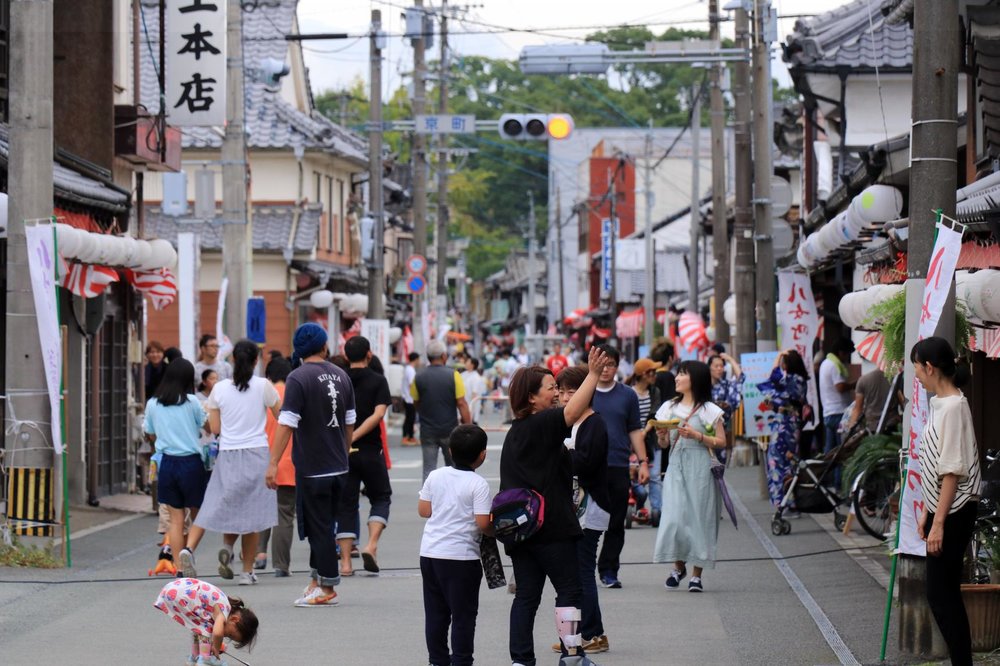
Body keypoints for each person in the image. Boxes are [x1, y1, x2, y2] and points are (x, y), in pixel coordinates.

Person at [499, 346, 612, 666]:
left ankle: (521, 660)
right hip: (551, 527)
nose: (558, 394)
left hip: (521, 530)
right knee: (569, 591)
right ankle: (572, 652)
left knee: (526, 597)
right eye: (551, 389)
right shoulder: (543, 423)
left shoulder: (517, 431)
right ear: (532, 398)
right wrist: (592, 375)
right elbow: (573, 413)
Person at [266, 322, 357, 607]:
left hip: (313, 467)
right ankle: (317, 580)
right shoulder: (342, 375)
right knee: (325, 524)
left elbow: (287, 423)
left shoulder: (298, 377)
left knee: (317, 528)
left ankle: (327, 586)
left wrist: (273, 462)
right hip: (339, 466)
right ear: (324, 346)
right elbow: (349, 421)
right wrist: (342, 452)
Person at [177, 340, 280, 587]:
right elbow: (281, 415)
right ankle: (246, 572)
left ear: (232, 360)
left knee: (219, 502)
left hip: (228, 453)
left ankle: (201, 548)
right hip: (257, 452)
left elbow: (214, 428)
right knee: (252, 514)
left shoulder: (220, 389)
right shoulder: (264, 386)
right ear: (257, 361)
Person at [912, 337, 981, 666]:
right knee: (944, 593)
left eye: (917, 369)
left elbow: (952, 470)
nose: (917, 377)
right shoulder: (942, 404)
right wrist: (928, 511)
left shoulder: (952, 405)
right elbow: (938, 466)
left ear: (929, 367)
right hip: (945, 509)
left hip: (954, 510)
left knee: (941, 595)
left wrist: (938, 522)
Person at [418, 424, 493, 666]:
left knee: (436, 614)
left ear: (450, 450)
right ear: (483, 454)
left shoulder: (435, 475)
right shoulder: (478, 484)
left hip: (430, 553)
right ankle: (461, 661)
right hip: (461, 558)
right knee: (463, 616)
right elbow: (483, 523)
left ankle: (437, 660)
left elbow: (424, 510)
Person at [552, 366, 612, 655]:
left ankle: (592, 633)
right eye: (560, 391)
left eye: (571, 392)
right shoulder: (568, 423)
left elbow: (585, 462)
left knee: (582, 571)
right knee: (572, 574)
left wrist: (558, 455)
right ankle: (574, 636)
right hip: (571, 509)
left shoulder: (594, 423)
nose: (564, 397)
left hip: (591, 508)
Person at [653, 361, 727, 592]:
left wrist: (698, 435)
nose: (677, 378)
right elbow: (663, 444)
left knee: (700, 517)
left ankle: (696, 574)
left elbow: (723, 442)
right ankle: (678, 566)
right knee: (674, 517)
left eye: (682, 374)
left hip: (701, 467)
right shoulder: (668, 407)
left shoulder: (709, 410)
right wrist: (662, 435)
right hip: (676, 464)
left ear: (694, 378)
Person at [591, 344, 648, 590]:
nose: (606, 369)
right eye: (601, 364)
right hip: (588, 466)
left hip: (618, 464)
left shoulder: (627, 395)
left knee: (616, 522)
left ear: (617, 366)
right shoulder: (585, 391)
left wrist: (643, 462)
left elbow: (634, 429)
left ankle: (608, 569)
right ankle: (582, 567)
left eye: (611, 364)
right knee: (586, 521)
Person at [143, 358, 209, 571]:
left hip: (167, 463)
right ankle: (188, 550)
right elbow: (206, 426)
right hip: (191, 463)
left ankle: (180, 568)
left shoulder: (153, 403)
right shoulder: (192, 402)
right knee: (201, 515)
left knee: (175, 519)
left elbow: (149, 432)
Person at [337, 336, 393, 576]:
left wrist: (346, 438)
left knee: (346, 505)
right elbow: (379, 414)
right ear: (369, 354)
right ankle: (371, 545)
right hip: (371, 450)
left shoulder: (338, 380)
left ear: (346, 356)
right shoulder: (378, 380)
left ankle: (346, 564)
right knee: (380, 496)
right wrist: (357, 435)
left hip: (342, 453)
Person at [154, 577, 258, 666]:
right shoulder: (223, 611)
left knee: (200, 630)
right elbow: (217, 633)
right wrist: (216, 649)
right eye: (230, 634)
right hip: (182, 594)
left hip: (174, 590)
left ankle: (195, 657)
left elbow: (214, 634)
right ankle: (205, 660)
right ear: (235, 619)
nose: (226, 635)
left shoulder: (220, 608)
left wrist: (215, 644)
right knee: (207, 629)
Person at [254, 356, 295, 576]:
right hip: (288, 461)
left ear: (268, 375)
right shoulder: (294, 392)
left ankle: (259, 553)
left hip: (261, 458)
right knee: (284, 514)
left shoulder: (261, 393)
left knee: (261, 509)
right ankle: (281, 565)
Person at [412, 340, 472, 481]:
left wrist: (424, 413)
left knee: (428, 469)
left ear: (428, 357)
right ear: (444, 356)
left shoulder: (418, 376)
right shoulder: (453, 375)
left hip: (427, 430)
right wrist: (468, 426)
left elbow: (415, 401)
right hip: (450, 429)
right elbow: (461, 403)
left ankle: (427, 501)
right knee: (453, 467)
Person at [756, 350, 810, 505]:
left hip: (784, 424)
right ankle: (790, 500)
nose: (781, 366)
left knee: (777, 460)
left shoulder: (791, 379)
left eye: (783, 363)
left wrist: (779, 355)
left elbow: (773, 377)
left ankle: (783, 501)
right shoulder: (799, 380)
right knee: (789, 460)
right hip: (791, 423)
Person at [628, 358, 664, 526]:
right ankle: (638, 501)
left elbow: (654, 414)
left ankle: (657, 509)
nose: (654, 375)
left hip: (651, 441)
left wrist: (644, 432)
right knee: (633, 475)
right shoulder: (629, 392)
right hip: (630, 442)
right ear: (643, 374)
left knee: (655, 476)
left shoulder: (654, 391)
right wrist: (635, 436)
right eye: (652, 372)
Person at [818, 338, 856, 456]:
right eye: (847, 354)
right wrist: (855, 384)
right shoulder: (835, 365)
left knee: (830, 453)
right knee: (841, 453)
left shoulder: (825, 363)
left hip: (829, 412)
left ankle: (826, 474)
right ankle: (838, 475)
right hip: (839, 413)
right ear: (841, 352)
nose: (846, 358)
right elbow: (840, 387)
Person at [709, 353, 745, 450]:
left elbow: (740, 378)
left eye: (722, 366)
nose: (720, 369)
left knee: (720, 463)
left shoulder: (725, 385)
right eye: (716, 366)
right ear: (709, 367)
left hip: (721, 432)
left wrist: (730, 359)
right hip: (704, 433)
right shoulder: (703, 385)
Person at [848, 368, 899, 434]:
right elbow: (903, 403)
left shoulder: (863, 380)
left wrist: (850, 428)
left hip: (872, 427)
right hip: (892, 424)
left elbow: (857, 409)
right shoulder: (895, 379)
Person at [402, 351, 421, 445]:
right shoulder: (410, 370)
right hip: (409, 398)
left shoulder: (408, 369)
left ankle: (409, 437)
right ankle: (407, 437)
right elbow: (411, 384)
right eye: (419, 359)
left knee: (410, 418)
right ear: (416, 359)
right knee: (410, 418)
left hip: (407, 397)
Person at [461, 357, 488, 424]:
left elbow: (474, 393)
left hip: (470, 405)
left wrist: (470, 407)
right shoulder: (463, 374)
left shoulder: (476, 377)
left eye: (468, 362)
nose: (466, 363)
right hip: (463, 403)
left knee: (471, 424)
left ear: (472, 365)